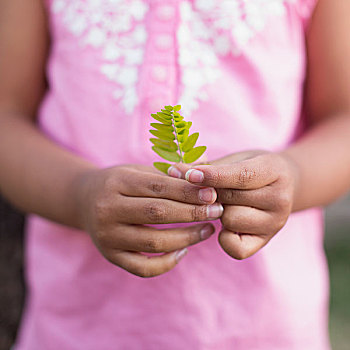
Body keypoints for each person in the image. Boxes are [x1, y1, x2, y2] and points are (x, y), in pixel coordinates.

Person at [0, 0, 349, 348]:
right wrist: (78, 195)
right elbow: (7, 118)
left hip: (265, 328)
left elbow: (342, 120)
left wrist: (293, 179)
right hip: (75, 329)